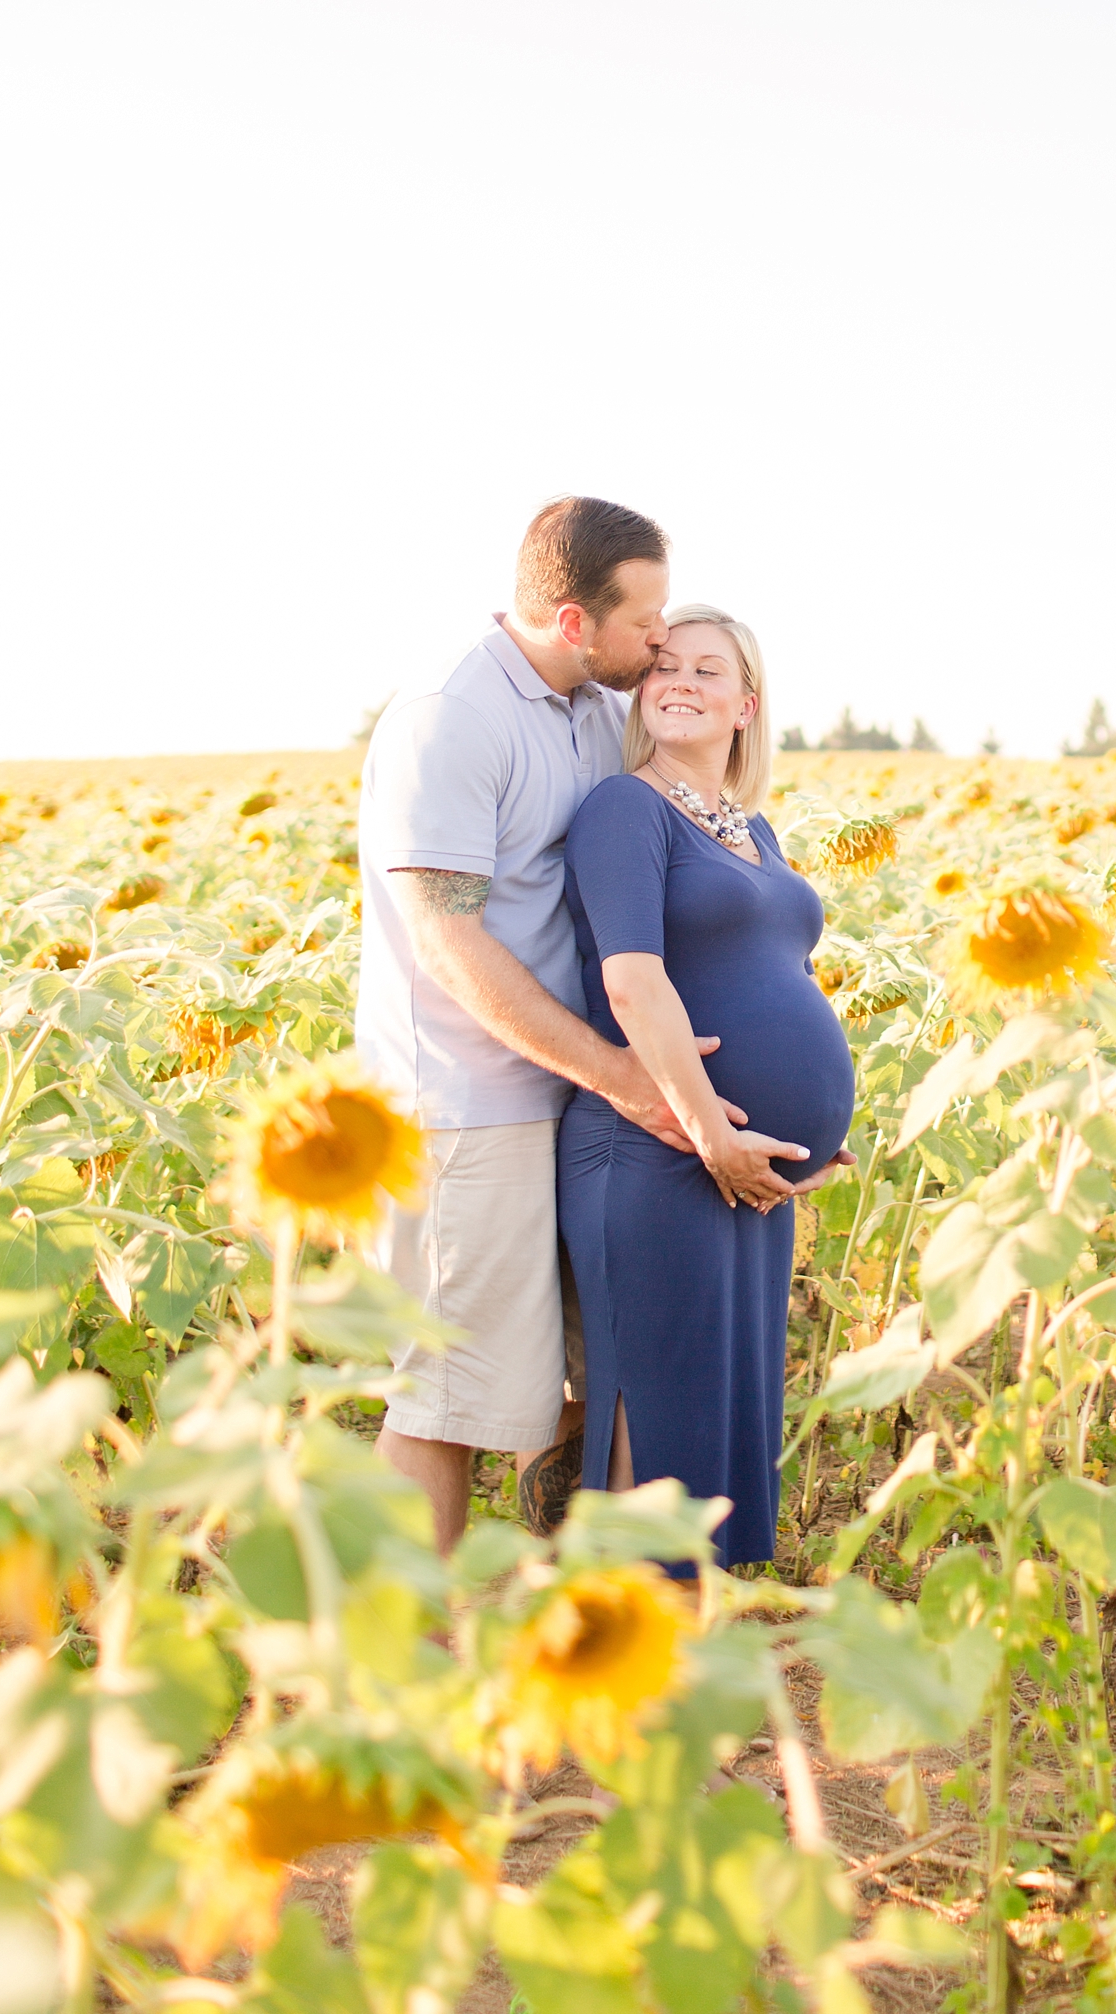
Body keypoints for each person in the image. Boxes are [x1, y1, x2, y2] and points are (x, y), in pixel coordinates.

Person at [354, 496, 786, 1552]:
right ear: (570, 621)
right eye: (645, 625)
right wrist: (623, 1076)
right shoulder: (449, 718)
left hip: (573, 1099)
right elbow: (449, 941)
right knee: (448, 1398)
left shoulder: (595, 709)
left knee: (584, 1375)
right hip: (469, 1104)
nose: (658, 650)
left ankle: (566, 1583)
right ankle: (395, 1668)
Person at [560, 605, 855, 1568]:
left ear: (746, 704)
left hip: (743, 1167)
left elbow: (778, 970)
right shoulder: (624, 810)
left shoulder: (752, 829)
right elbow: (633, 982)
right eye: (663, 667)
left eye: (707, 670)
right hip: (658, 1154)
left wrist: (811, 1121)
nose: (679, 681)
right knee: (660, 1424)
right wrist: (713, 1131)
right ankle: (628, 1692)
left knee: (721, 1423)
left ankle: (691, 1690)